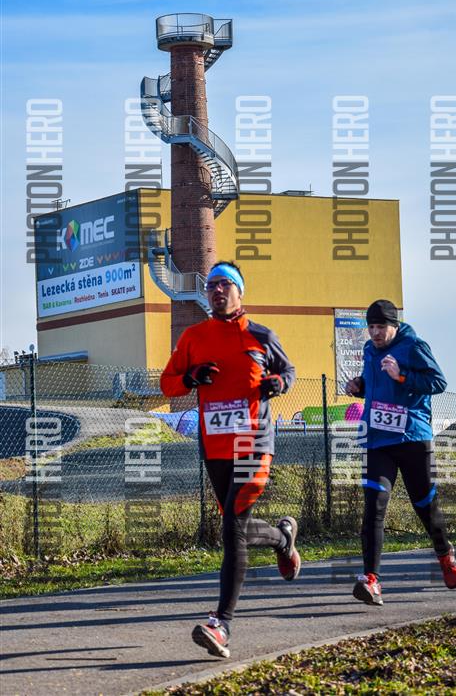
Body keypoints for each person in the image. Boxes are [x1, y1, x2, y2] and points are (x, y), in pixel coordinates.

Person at [160, 261, 299, 658]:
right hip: (215, 446)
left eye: (225, 284)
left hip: (254, 443)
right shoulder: (193, 337)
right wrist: (191, 378)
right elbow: (168, 383)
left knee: (232, 528)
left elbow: (288, 371)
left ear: (240, 292)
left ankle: (221, 624)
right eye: (211, 286)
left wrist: (278, 382)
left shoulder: (261, 335)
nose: (217, 291)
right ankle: (283, 538)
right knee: (235, 527)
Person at [346, 299, 456, 606]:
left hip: (412, 439)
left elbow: (438, 382)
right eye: (371, 327)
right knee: (374, 506)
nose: (375, 333)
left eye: (381, 327)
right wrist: (359, 386)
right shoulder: (369, 350)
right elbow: (375, 385)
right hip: (377, 440)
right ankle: (371, 580)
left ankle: (444, 554)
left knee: (425, 506)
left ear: (394, 326)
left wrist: (402, 376)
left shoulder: (413, 346)